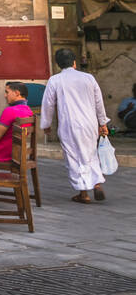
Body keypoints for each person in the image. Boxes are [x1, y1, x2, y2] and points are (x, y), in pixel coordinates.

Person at [40, 48, 110, 204]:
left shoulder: (55, 80)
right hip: (89, 124)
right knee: (90, 153)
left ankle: (83, 193)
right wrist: (102, 122)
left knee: (73, 156)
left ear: (58, 64)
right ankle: (96, 183)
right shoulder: (89, 78)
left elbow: (48, 104)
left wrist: (46, 124)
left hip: (69, 125)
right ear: (74, 62)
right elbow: (99, 102)